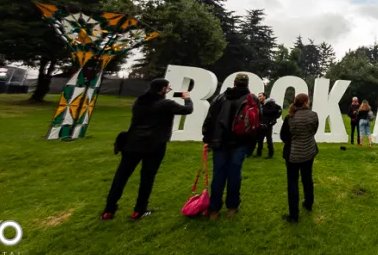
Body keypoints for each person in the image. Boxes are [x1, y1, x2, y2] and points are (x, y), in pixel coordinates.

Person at [101, 79, 193, 220]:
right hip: (154, 145)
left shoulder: (140, 101)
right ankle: (139, 210)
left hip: (132, 143)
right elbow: (188, 110)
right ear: (162, 89)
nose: (169, 88)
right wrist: (187, 98)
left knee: (121, 177)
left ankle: (109, 209)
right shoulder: (165, 104)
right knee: (147, 178)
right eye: (168, 87)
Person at [202, 73, 261, 219]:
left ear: (234, 82)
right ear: (247, 84)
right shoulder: (252, 99)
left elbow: (210, 119)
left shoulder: (221, 97)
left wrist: (207, 139)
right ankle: (232, 207)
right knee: (235, 174)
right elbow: (256, 124)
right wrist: (251, 145)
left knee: (218, 174)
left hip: (220, 141)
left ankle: (214, 209)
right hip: (240, 142)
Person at [280, 93, 319, 223]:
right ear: (306, 102)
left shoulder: (290, 117)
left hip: (293, 153)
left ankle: (294, 215)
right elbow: (314, 131)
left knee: (292, 182)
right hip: (309, 151)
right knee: (307, 177)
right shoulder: (313, 115)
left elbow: (283, 136)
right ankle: (309, 203)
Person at [252, 92, 281, 159]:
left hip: (268, 124)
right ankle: (259, 153)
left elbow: (278, 111)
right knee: (260, 139)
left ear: (264, 97)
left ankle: (270, 154)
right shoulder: (260, 104)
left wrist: (273, 120)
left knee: (268, 140)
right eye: (258, 96)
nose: (259, 97)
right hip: (261, 124)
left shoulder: (271, 104)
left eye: (260, 96)